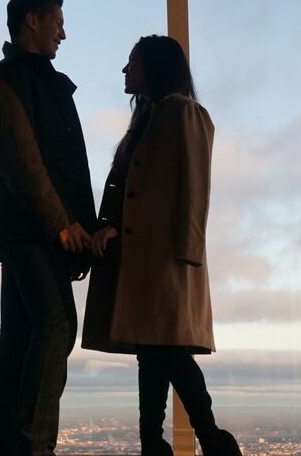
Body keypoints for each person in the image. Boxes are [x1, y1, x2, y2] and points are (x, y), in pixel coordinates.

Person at [81, 35, 242, 456]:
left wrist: (187, 254)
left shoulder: (185, 114)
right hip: (141, 260)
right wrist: (110, 228)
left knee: (166, 351)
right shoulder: (150, 117)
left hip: (166, 260)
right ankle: (154, 443)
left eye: (131, 62)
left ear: (153, 66)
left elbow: (195, 187)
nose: (125, 70)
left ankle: (211, 442)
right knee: (151, 351)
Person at [0, 0, 97, 456]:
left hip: (33, 231)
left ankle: (5, 445)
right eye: (57, 21)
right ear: (32, 22)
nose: (64, 31)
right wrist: (64, 226)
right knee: (57, 324)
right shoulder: (8, 81)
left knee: (20, 336)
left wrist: (75, 229)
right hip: (30, 232)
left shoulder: (34, 81)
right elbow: (24, 163)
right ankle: (32, 446)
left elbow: (55, 165)